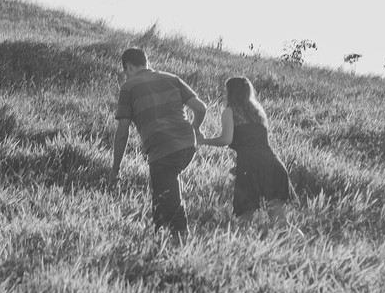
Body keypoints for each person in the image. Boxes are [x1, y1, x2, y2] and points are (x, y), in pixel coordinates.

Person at [110, 47, 207, 236]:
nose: (126, 76)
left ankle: (181, 238)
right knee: (161, 189)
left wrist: (115, 168)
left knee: (169, 196)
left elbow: (122, 132)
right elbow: (201, 108)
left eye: (125, 72)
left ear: (128, 67)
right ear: (146, 62)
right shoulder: (171, 78)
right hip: (188, 145)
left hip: (163, 148)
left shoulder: (129, 87)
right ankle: (158, 234)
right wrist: (195, 129)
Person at [196, 76, 294, 223]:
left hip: (251, 168)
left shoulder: (229, 111)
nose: (224, 94)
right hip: (274, 166)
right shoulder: (258, 111)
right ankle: (300, 239)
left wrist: (202, 141)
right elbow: (254, 143)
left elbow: (226, 140)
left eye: (225, 91)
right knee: (282, 223)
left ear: (231, 92)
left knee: (244, 219)